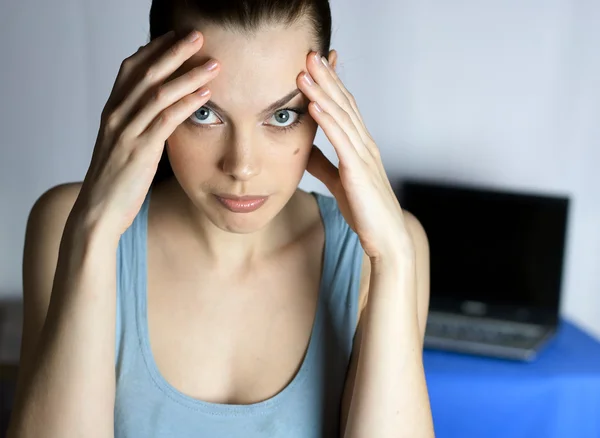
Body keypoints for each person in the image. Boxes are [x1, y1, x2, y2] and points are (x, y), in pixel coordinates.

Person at [7, 0, 434, 437]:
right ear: (151, 85)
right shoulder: (70, 225)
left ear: (330, 95)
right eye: (204, 113)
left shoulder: (383, 252)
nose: (241, 166)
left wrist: (393, 257)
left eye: (282, 115)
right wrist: (93, 234)